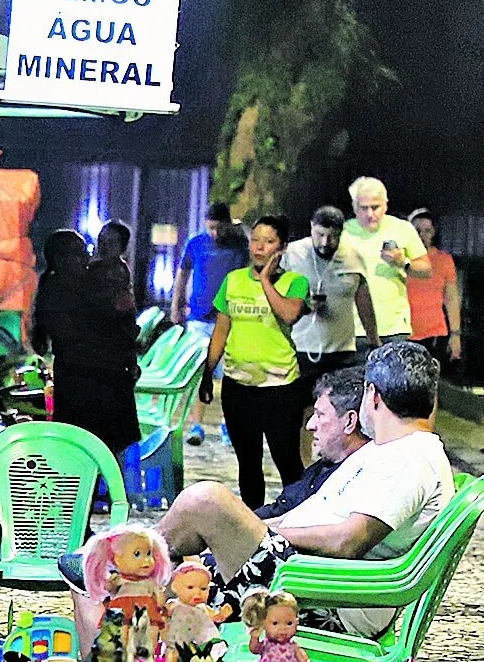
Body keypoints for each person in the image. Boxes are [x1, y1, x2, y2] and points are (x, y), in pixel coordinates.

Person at [154, 342, 452, 640]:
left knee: (206, 501)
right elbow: (300, 516)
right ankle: (127, 582)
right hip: (309, 574)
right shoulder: (386, 450)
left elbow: (349, 541)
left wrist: (263, 535)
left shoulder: (411, 458)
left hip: (324, 596)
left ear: (373, 396)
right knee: (175, 565)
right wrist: (245, 531)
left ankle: (123, 565)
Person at [199, 217, 309, 507]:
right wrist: (208, 373)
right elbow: (221, 330)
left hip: (280, 386)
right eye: (256, 240)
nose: (260, 247)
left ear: (282, 248)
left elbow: (288, 314)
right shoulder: (233, 280)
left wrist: (264, 282)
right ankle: (252, 524)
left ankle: (297, 520)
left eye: (269, 241)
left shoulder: (295, 282)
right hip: (238, 386)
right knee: (248, 461)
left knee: (286, 459)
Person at [33, 229, 139, 458]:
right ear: (61, 259)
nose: (87, 260)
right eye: (80, 254)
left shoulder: (90, 284)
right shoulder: (58, 291)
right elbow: (74, 336)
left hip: (97, 379)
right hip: (86, 382)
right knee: (88, 446)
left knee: (100, 447)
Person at [172, 201, 246, 446]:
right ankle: (196, 425)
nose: (215, 233)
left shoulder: (239, 244)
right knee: (200, 372)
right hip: (199, 318)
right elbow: (182, 273)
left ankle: (229, 424)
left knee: (230, 375)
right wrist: (177, 305)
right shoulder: (196, 243)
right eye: (211, 228)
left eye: (219, 228)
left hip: (230, 318)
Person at [255, 366, 368, 520]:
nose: (310, 425)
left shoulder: (351, 483)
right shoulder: (323, 467)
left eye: (320, 415)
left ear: (349, 421)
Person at [282, 205, 375, 386]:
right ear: (311, 228)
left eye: (333, 236)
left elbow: (364, 300)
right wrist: (303, 306)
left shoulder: (353, 256)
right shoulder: (292, 254)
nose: (325, 242)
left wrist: (374, 340)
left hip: (342, 351)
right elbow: (275, 295)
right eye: (320, 235)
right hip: (299, 347)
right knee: (302, 407)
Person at [340, 177, 429, 348]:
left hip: (394, 329)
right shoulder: (343, 232)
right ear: (353, 206)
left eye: (375, 207)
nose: (369, 214)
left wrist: (403, 262)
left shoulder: (402, 229)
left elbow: (426, 270)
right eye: (363, 208)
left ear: (386, 205)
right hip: (352, 330)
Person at [405, 208, 462, 368]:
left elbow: (451, 299)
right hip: (403, 332)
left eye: (427, 231)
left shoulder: (443, 260)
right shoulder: (401, 260)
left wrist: (455, 334)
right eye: (417, 231)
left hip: (434, 333)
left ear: (434, 232)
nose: (422, 236)